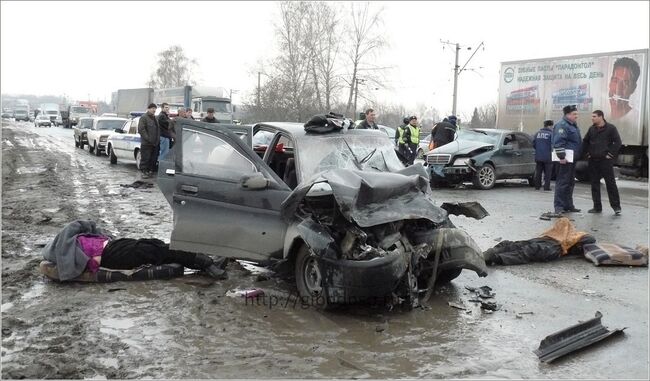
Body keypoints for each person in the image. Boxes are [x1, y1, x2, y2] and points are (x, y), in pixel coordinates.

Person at [41, 220, 228, 282]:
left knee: (154, 244)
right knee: (154, 250)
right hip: (110, 256)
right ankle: (206, 263)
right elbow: (76, 227)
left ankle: (203, 261)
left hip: (113, 246)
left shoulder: (76, 240)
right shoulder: (66, 249)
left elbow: (86, 225)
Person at [582, 110, 622, 215]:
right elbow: (585, 141)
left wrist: (610, 154)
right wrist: (587, 154)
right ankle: (597, 207)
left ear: (601, 117)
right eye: (592, 116)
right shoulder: (591, 129)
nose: (592, 118)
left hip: (605, 161)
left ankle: (616, 207)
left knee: (611, 184)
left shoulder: (611, 128)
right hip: (593, 161)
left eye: (594, 116)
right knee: (594, 184)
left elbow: (617, 142)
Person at [552, 104, 582, 214]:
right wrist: (562, 157)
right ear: (568, 114)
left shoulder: (573, 125)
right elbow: (558, 142)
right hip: (564, 160)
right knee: (562, 183)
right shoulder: (562, 125)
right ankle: (559, 207)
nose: (576, 116)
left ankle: (568, 205)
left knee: (570, 183)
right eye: (574, 114)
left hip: (571, 159)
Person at [608, 57, 641, 122]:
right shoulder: (601, 117)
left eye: (625, 83)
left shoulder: (637, 120)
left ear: (633, 88)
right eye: (615, 80)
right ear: (610, 82)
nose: (618, 89)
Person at [137, 103, 160, 179]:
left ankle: (150, 171)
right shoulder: (144, 118)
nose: (154, 110)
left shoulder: (155, 118)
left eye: (155, 108)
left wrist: (157, 140)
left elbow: (158, 130)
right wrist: (148, 138)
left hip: (155, 143)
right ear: (148, 109)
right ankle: (144, 172)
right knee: (145, 158)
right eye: (152, 108)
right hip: (146, 143)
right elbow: (141, 130)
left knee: (153, 159)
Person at [533, 120, 554, 191]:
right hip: (548, 156)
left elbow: (534, 144)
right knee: (548, 173)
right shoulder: (551, 134)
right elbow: (552, 145)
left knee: (538, 171)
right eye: (552, 126)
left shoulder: (537, 134)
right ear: (550, 126)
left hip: (538, 156)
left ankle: (537, 186)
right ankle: (546, 187)